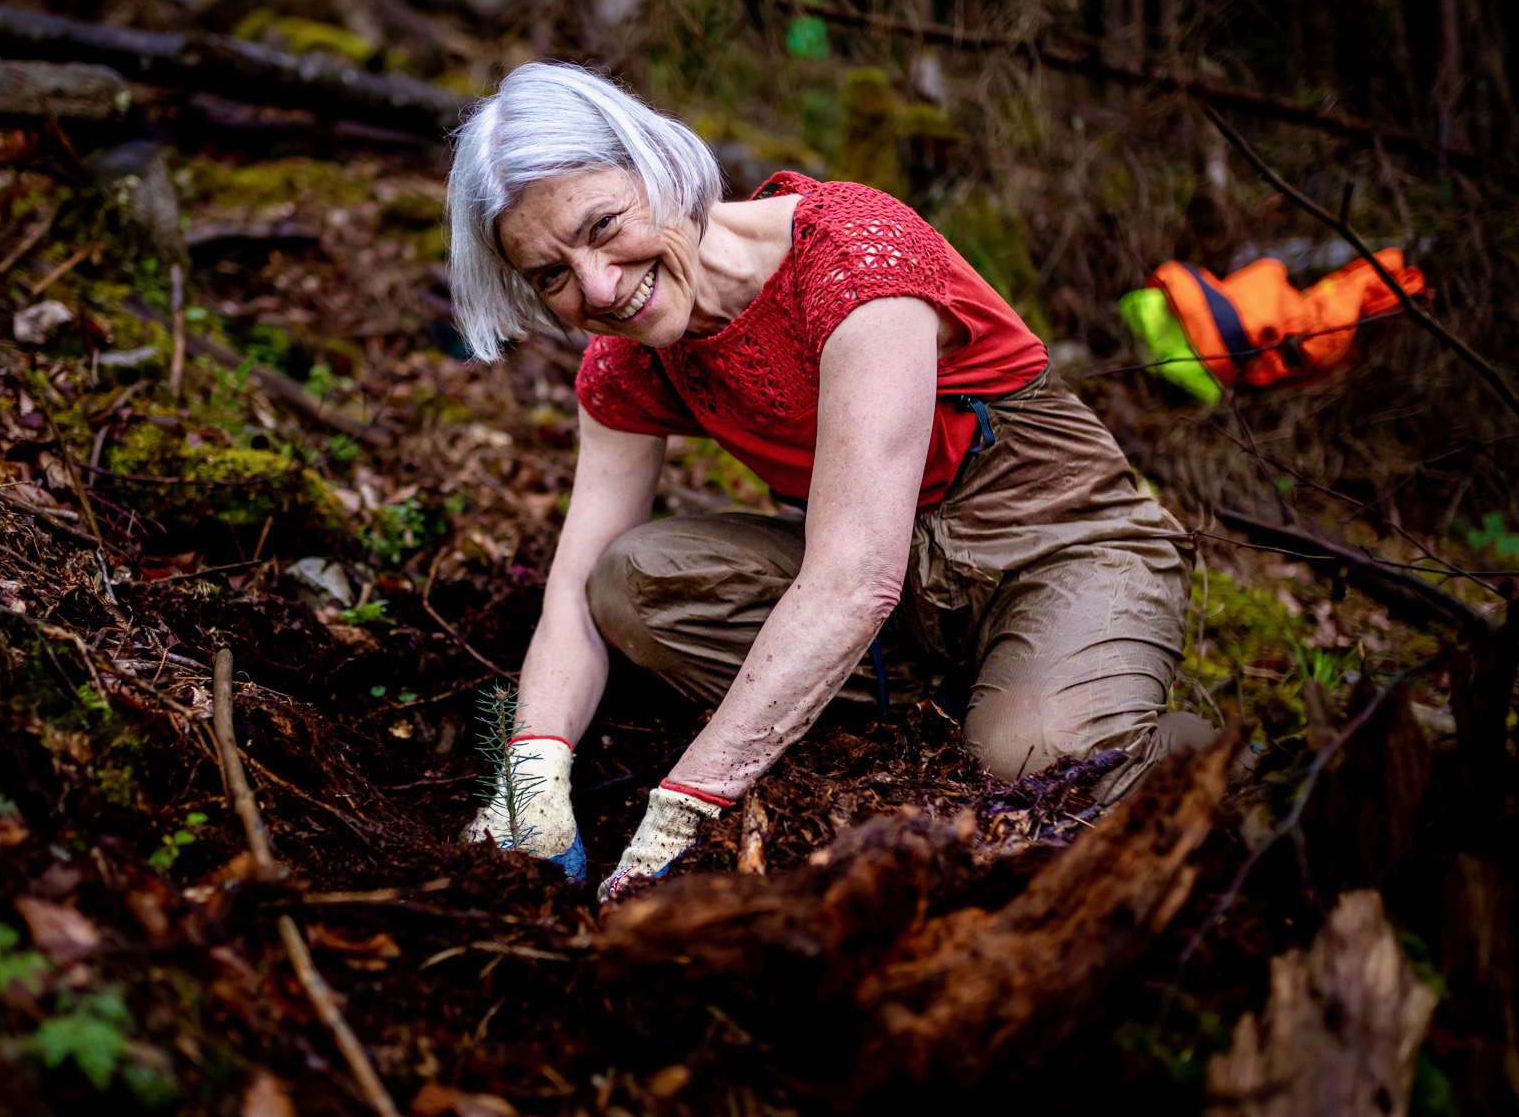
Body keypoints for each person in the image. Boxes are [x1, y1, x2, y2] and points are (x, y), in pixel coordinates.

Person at [445, 63, 1209, 901]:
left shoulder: (853, 257)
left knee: (1031, 763)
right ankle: (962, 699)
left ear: (658, 165)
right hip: (897, 597)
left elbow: (852, 578)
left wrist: (688, 805)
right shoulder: (629, 358)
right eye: (550, 274)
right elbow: (571, 591)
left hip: (1058, 544)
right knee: (627, 583)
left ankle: (1212, 765)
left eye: (602, 225)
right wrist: (532, 771)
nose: (596, 286)